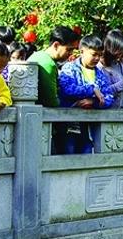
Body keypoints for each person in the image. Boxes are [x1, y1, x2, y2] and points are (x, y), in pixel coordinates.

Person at [26, 26, 80, 154]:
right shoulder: (48, 64)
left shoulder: (37, 56)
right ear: (56, 45)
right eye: (69, 49)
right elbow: (51, 101)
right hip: (40, 123)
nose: (70, 54)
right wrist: (74, 104)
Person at [58, 35, 115, 154]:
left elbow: (109, 97)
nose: (97, 58)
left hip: (89, 126)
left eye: (99, 55)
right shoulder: (69, 68)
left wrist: (93, 102)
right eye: (94, 54)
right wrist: (92, 89)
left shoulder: (100, 73)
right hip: (69, 123)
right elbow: (66, 89)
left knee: (87, 155)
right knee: (68, 156)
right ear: (82, 51)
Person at [99, 29, 123, 109]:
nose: (122, 52)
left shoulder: (122, 64)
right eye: (120, 49)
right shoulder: (100, 67)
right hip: (109, 111)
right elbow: (102, 92)